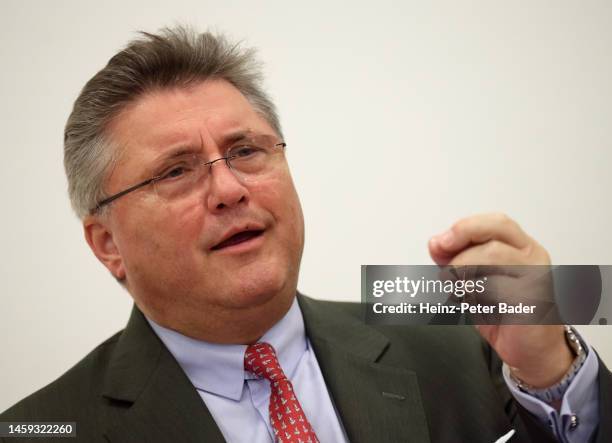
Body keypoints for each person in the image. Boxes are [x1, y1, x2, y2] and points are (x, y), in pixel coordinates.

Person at [1, 26, 609, 443]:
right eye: (176, 172)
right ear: (107, 244)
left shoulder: (456, 345)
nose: (230, 190)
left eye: (245, 150)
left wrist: (549, 370)